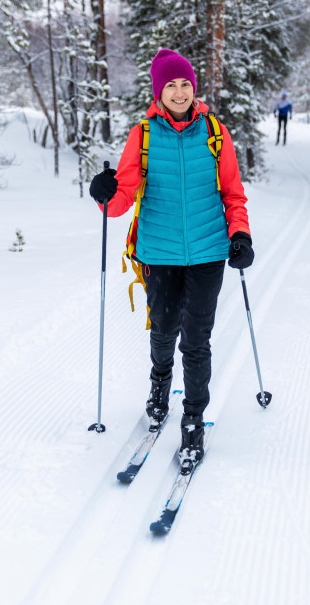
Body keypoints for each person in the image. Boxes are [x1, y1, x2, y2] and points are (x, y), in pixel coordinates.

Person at [87, 48, 253, 468]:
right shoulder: (142, 135)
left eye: (185, 84)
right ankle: (160, 384)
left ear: (193, 88)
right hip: (158, 251)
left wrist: (240, 235)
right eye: (170, 85)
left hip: (208, 251)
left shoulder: (215, 133)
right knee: (163, 329)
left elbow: (233, 193)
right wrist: (105, 194)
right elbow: (123, 195)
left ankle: (194, 420)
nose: (179, 92)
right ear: (158, 92)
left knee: (196, 341)